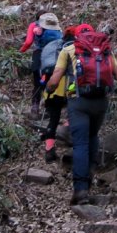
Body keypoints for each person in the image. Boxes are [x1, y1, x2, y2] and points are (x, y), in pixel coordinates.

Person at [46, 24, 117, 205]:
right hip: (101, 101)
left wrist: (49, 87)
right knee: (93, 136)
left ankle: (81, 190)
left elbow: (55, 78)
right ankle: (90, 176)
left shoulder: (69, 49)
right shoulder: (105, 49)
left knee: (80, 143)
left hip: (78, 102)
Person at [40, 25, 78, 162]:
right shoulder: (74, 49)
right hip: (68, 89)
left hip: (52, 89)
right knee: (72, 113)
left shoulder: (55, 47)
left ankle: (49, 151)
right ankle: (68, 137)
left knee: (53, 119)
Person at [20, 11, 61, 119]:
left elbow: (28, 42)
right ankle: (48, 109)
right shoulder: (55, 27)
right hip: (52, 56)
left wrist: (21, 52)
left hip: (38, 55)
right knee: (50, 82)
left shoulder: (34, 25)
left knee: (37, 83)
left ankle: (35, 108)